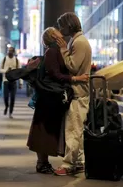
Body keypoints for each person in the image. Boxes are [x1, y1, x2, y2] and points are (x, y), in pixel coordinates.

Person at [27, 27, 89, 174]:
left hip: (50, 98)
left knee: (46, 130)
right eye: (56, 31)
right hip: (49, 98)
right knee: (44, 130)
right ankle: (42, 163)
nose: (61, 32)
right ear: (53, 36)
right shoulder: (52, 51)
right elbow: (55, 74)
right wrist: (75, 78)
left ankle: (43, 163)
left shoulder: (56, 50)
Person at [53, 12, 92, 176]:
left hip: (78, 92)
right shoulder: (77, 41)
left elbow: (73, 67)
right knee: (77, 129)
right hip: (79, 92)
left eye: (62, 25)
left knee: (73, 130)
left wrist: (63, 50)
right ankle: (80, 162)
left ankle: (68, 164)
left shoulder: (79, 42)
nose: (61, 30)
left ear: (69, 25)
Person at [0, 47, 23, 118]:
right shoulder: (4, 59)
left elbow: (20, 72)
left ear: (14, 52)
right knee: (5, 97)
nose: (10, 52)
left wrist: (20, 83)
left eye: (11, 51)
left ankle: (10, 112)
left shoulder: (17, 61)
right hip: (5, 81)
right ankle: (6, 106)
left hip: (14, 81)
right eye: (9, 50)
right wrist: (6, 70)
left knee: (12, 98)